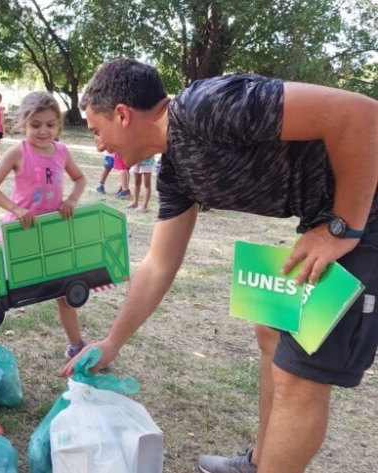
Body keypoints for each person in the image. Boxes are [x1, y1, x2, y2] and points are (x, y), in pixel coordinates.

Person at [64, 58, 378, 473]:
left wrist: (342, 227)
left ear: (122, 115)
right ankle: (259, 463)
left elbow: (362, 114)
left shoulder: (204, 106)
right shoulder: (175, 173)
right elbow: (159, 263)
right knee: (269, 327)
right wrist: (112, 341)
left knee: (298, 377)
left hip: (363, 217)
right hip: (329, 217)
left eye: (97, 131)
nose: (99, 146)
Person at [0, 91, 88, 359]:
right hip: (19, 233)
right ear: (23, 125)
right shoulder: (18, 152)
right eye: (35, 125)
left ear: (59, 125)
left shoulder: (62, 152)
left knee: (65, 290)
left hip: (52, 234)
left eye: (50, 124)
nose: (43, 131)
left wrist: (72, 200)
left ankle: (77, 346)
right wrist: (16, 209)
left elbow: (79, 179)